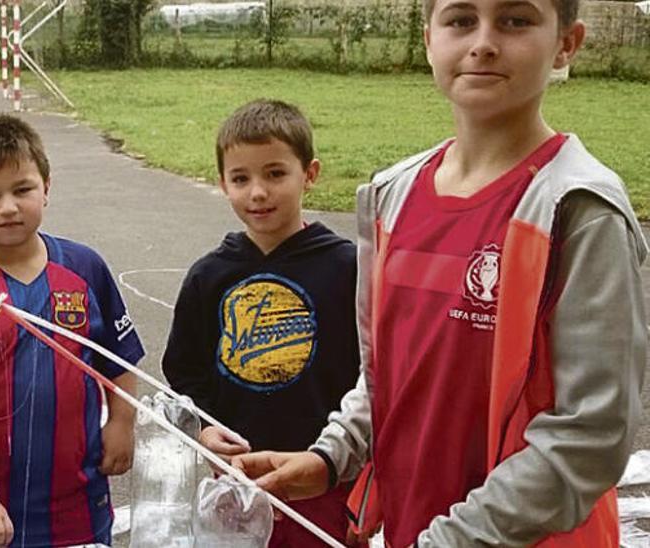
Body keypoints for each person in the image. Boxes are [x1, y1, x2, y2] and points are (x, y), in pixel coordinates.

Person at [232, 0, 647, 545]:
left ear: (566, 43)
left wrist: (451, 538)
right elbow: (388, 376)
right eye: (460, 20)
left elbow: (591, 434)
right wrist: (331, 458)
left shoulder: (579, 209)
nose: (483, 42)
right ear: (429, 39)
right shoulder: (392, 196)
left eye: (516, 20)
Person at [0, 114, 145, 547]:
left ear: (46, 187)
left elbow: (120, 356)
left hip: (79, 507)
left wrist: (122, 420)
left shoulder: (85, 269)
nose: (8, 207)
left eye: (22, 189)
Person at [162, 99, 359, 547]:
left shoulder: (350, 269)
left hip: (321, 478)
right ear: (222, 184)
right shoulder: (209, 275)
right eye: (241, 178)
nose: (257, 193)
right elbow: (185, 374)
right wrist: (203, 429)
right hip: (236, 481)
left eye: (275, 173)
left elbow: (373, 377)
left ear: (309, 174)